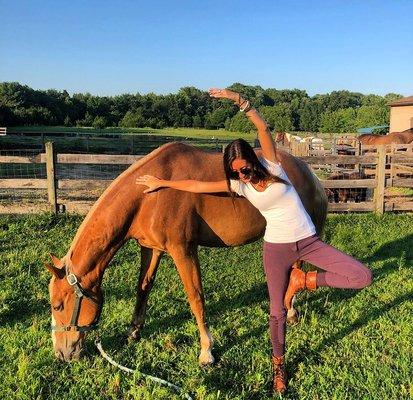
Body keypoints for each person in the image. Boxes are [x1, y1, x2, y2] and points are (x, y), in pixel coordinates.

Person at [136, 88, 373, 394]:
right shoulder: (242, 187)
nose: (243, 176)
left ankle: (303, 281)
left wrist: (239, 101)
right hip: (275, 249)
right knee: (276, 313)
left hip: (308, 242)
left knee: (361, 276)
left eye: (245, 169)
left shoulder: (274, 166)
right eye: (236, 173)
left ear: (252, 159)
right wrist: (163, 182)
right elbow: (196, 184)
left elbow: (262, 127)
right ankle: (279, 367)